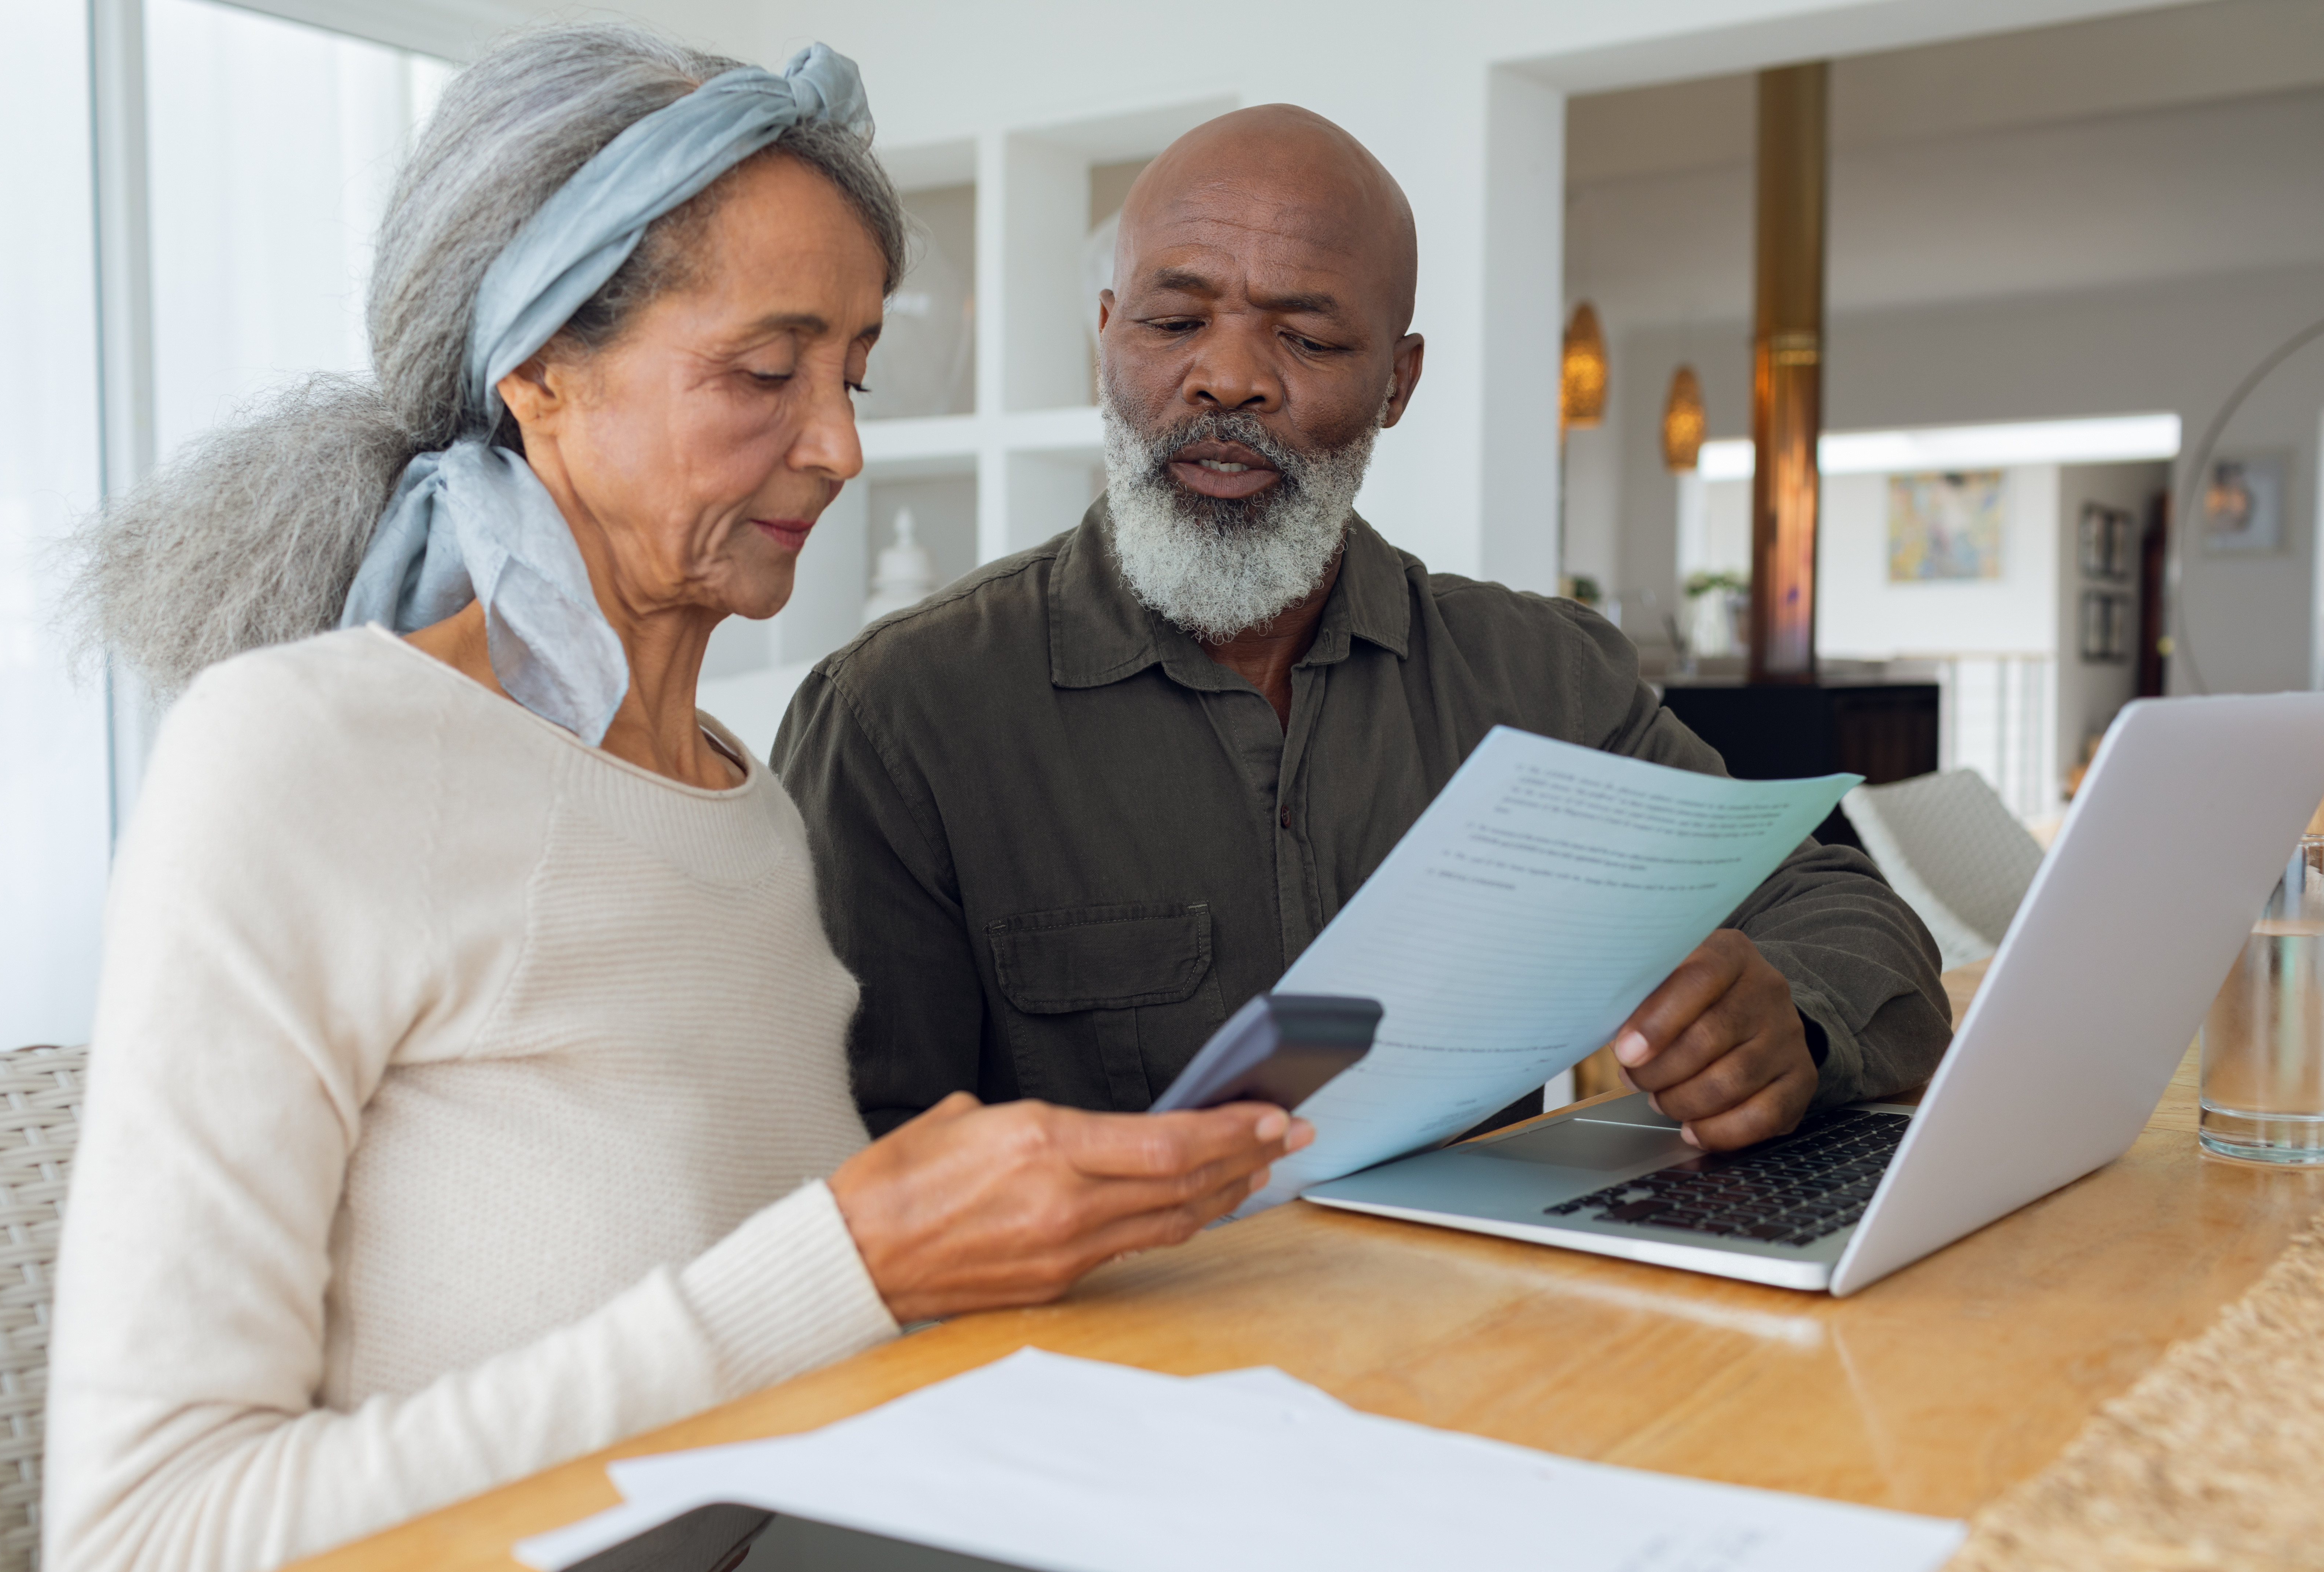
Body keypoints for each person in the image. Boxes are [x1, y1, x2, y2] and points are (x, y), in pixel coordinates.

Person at [40, 31, 1305, 1572]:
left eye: (851, 375)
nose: (842, 447)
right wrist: (855, 1260)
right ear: (539, 366)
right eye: (765, 373)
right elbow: (137, 1561)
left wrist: (1016, 1245)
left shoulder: (745, 801)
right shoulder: (298, 760)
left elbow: (796, 1367)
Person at [774, 105, 1952, 1153]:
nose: (1226, 378)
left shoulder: (1541, 680)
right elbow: (842, 1175)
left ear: (1399, 380)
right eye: (1174, 320)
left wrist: (1783, 1015)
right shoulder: (902, 718)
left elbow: (1853, 921)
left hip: (1490, 1341)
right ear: (1106, 335)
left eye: (1309, 340)